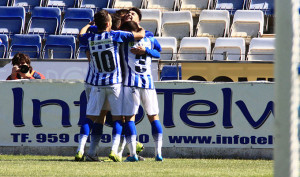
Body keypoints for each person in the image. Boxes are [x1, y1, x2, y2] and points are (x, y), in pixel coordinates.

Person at [75, 9, 145, 162]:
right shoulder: (115, 35)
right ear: (108, 24)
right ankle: (115, 150)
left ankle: (82, 149)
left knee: (92, 118)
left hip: (97, 84)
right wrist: (141, 28)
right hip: (114, 83)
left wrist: (88, 25)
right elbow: (140, 35)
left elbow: (80, 36)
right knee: (118, 118)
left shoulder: (90, 38)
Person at [120, 17, 164, 162]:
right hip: (148, 84)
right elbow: (159, 52)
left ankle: (132, 155)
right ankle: (158, 153)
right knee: (154, 117)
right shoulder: (150, 39)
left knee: (129, 118)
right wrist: (147, 51)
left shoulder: (124, 40)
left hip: (131, 83)